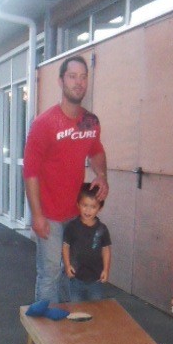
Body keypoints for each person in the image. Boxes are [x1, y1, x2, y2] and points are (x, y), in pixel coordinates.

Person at [23, 55, 109, 303]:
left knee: (73, 272)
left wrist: (102, 175)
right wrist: (37, 215)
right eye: (72, 76)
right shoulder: (44, 123)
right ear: (61, 81)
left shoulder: (89, 122)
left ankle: (67, 332)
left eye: (83, 77)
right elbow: (30, 172)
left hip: (76, 214)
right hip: (49, 214)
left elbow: (96, 151)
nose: (79, 82)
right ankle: (46, 335)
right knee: (49, 274)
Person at [62, 184, 111, 302]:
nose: (88, 210)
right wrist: (67, 266)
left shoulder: (102, 229)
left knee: (96, 310)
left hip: (95, 279)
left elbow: (106, 250)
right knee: (76, 309)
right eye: (85, 205)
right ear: (78, 204)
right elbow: (66, 247)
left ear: (100, 208)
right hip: (76, 278)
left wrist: (106, 269)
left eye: (93, 207)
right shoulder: (72, 227)